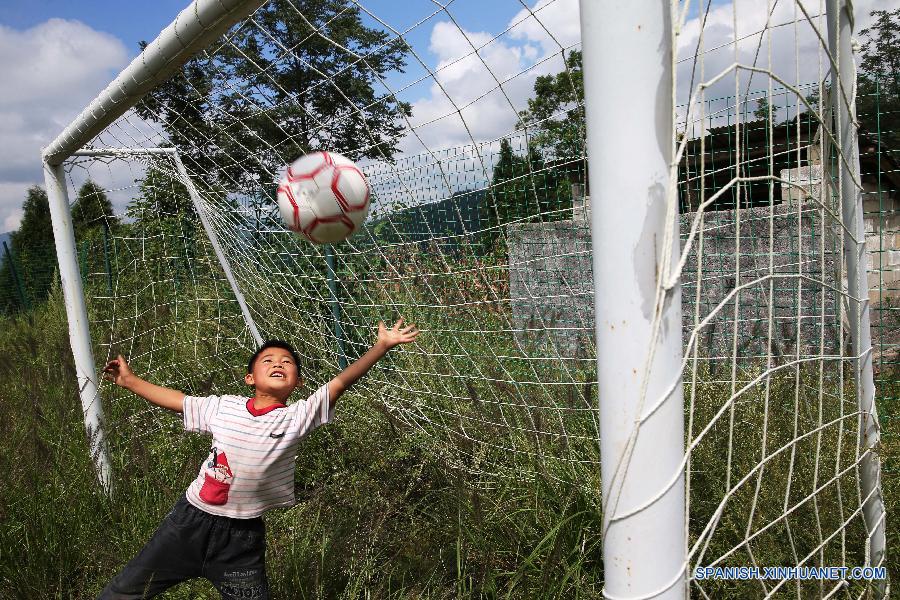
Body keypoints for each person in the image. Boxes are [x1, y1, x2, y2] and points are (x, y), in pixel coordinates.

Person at [98, 318, 420, 599]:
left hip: (241, 541)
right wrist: (129, 380)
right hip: (188, 523)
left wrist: (381, 347)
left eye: (287, 362)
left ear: (299, 382)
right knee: (127, 589)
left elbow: (340, 383)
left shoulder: (298, 417)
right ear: (249, 378)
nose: (278, 363)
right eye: (267, 360)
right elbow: (178, 401)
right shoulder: (224, 405)